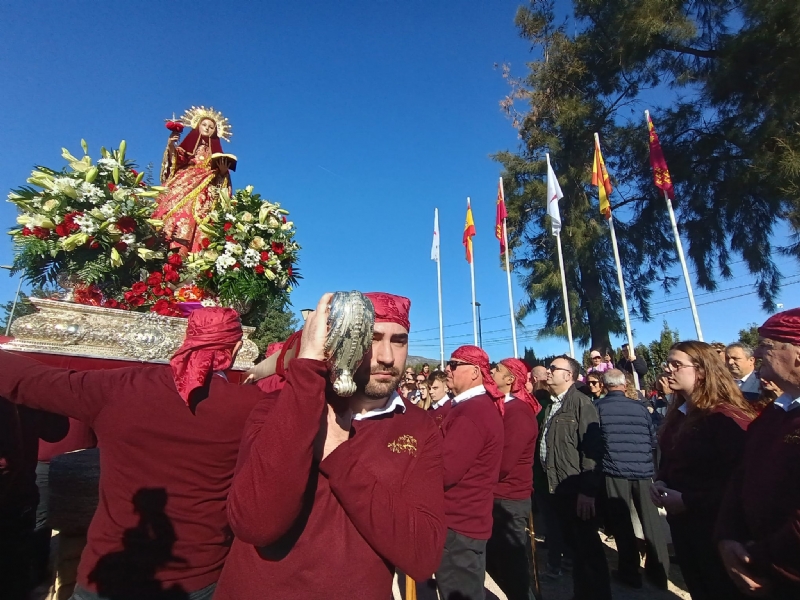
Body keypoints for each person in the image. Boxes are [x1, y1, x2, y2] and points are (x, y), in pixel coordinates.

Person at [0, 308, 265, 600]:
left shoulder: (122, 387)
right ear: (237, 348)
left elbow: (29, 381)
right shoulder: (253, 407)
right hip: (195, 576)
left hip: (109, 573)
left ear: (186, 338)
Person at [215, 293, 445, 600]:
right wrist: (308, 374)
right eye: (372, 338)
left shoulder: (418, 426)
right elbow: (256, 524)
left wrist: (338, 454)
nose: (387, 356)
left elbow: (423, 554)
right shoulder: (276, 409)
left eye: (399, 341)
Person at [650, 341, 756, 600]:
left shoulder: (725, 417)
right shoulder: (679, 416)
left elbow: (742, 483)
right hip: (685, 529)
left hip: (718, 531)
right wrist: (661, 481)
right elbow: (672, 461)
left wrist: (688, 500)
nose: (668, 370)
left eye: (677, 365)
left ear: (703, 370)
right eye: (668, 364)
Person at [717, 309, 800, 597]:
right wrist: (727, 539)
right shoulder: (774, 414)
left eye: (768, 345)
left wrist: (758, 558)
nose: (760, 352)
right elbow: (741, 477)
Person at [435, 346, 504, 600]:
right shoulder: (469, 407)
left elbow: (445, 471)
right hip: (465, 522)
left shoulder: (472, 412)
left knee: (462, 592)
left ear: (474, 372)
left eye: (453, 365)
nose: (447, 369)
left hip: (459, 526)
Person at [539, 355, 609, 600]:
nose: (548, 372)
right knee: (575, 551)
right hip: (557, 488)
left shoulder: (581, 403)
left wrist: (588, 491)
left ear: (568, 375)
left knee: (588, 550)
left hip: (576, 491)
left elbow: (593, 450)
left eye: (553, 368)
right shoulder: (551, 405)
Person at [596, 369, 669, 590]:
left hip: (614, 470)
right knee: (652, 522)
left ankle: (630, 571)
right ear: (624, 384)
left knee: (622, 523)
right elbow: (651, 435)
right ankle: (660, 572)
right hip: (644, 471)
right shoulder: (639, 407)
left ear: (604, 384)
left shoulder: (598, 407)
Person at [486, 358, 541, 600]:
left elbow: (504, 462)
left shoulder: (518, 412)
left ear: (510, 380)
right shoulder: (501, 407)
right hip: (496, 495)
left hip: (509, 498)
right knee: (497, 561)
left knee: (512, 566)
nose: (491, 371)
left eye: (497, 370)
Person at [153, 107, 234, 255]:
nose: (207, 128)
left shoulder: (215, 152)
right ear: (198, 125)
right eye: (205, 125)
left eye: (211, 127)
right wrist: (171, 145)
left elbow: (222, 181)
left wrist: (222, 172)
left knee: (201, 221)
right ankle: (167, 246)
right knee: (175, 212)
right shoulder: (188, 147)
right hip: (184, 180)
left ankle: (190, 254)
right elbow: (175, 162)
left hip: (207, 186)